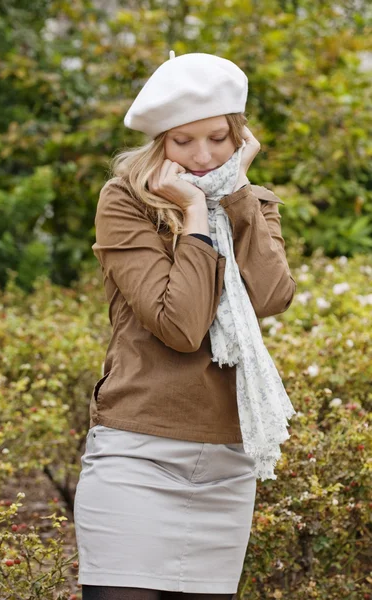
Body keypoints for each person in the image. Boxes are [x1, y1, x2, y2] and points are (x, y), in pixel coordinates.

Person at [73, 52, 297, 600]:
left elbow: (272, 296)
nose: (203, 156)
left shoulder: (253, 204)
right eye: (183, 141)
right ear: (160, 145)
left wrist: (237, 197)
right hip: (138, 454)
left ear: (240, 136)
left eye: (218, 138)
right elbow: (181, 325)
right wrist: (196, 217)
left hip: (227, 460)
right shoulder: (127, 202)